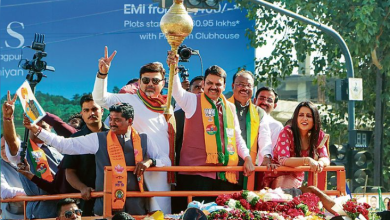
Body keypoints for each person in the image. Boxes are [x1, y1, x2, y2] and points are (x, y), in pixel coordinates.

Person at [23, 103, 170, 215]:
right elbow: (65, 145)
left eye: (117, 120)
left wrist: (150, 162)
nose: (111, 123)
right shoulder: (99, 139)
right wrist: (36, 130)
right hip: (105, 206)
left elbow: (165, 160)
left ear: (130, 121)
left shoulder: (144, 139)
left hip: (137, 206)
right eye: (111, 119)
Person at [92, 47, 172, 213]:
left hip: (159, 170)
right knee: (136, 215)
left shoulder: (167, 106)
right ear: (140, 82)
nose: (150, 84)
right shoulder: (129, 100)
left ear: (163, 83)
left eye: (155, 81)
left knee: (161, 215)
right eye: (146, 80)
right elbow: (100, 99)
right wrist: (102, 75)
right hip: (133, 169)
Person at [168, 52, 255, 203]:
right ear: (203, 84)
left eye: (218, 84)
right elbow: (176, 91)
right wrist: (174, 69)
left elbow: (236, 137)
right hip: (195, 176)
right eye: (209, 83)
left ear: (225, 86)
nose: (213, 87)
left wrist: (247, 157)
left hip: (225, 175)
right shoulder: (192, 101)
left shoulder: (230, 107)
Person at [3, 91, 63, 218]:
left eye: (43, 127)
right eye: (34, 126)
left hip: (64, 207)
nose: (38, 130)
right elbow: (12, 142)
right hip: (39, 210)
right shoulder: (24, 150)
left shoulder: (59, 149)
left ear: (50, 129)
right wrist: (8, 118)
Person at [262, 101, 330, 189]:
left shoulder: (318, 135)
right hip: (276, 177)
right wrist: (307, 160)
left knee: (312, 192)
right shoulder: (287, 132)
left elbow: (325, 157)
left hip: (297, 179)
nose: (304, 119)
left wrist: (320, 163)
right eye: (301, 115)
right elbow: (283, 160)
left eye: (309, 116)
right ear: (296, 118)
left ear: (315, 119)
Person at [62, 94, 109, 216]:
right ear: (82, 114)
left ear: (102, 111)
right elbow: (69, 172)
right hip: (87, 199)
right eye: (86, 110)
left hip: (113, 195)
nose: (91, 113)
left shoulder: (113, 135)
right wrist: (82, 188)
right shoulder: (76, 139)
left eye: (94, 109)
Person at [227, 70, 273, 189]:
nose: (244, 88)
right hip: (225, 167)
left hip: (248, 168)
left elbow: (264, 137)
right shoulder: (223, 106)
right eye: (241, 84)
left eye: (248, 85)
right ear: (233, 86)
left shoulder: (259, 112)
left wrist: (267, 156)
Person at [172, 75, 204, 213]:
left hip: (208, 176)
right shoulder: (179, 115)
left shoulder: (219, 113)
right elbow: (172, 145)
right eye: (197, 87)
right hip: (185, 175)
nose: (201, 90)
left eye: (204, 87)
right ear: (189, 92)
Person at [254, 87, 284, 166]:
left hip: (262, 170)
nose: (264, 102)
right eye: (262, 98)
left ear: (275, 105)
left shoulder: (277, 126)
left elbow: (274, 154)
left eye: (269, 100)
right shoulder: (245, 120)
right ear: (254, 100)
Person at [1, 135, 25, 219]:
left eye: (8, 146)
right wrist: (32, 194)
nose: (5, 151)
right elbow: (4, 192)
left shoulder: (30, 159)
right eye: (2, 148)